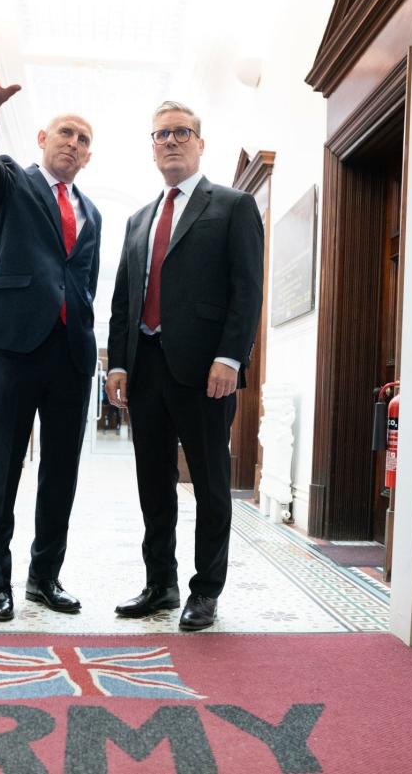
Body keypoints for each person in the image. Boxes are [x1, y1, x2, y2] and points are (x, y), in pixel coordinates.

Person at [0, 33, 101, 622]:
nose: (74, 143)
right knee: (3, 468)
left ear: (89, 156)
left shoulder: (94, 213)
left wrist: (97, 352)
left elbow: (82, 281)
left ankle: (45, 577)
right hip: (15, 347)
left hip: (71, 358)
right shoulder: (13, 181)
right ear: (42, 139)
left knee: (60, 473)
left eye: (84, 140)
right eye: (66, 132)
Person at [106, 101, 264, 630]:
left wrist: (230, 357)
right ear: (151, 147)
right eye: (160, 135)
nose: (170, 141)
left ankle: (206, 590)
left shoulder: (233, 206)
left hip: (205, 373)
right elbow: (124, 299)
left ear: (200, 143)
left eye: (180, 132)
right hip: (145, 369)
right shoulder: (137, 219)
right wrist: (118, 364)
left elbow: (247, 290)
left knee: (211, 483)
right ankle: (161, 584)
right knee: (153, 483)